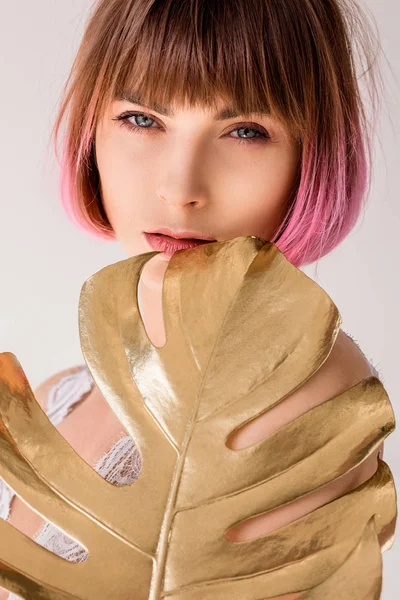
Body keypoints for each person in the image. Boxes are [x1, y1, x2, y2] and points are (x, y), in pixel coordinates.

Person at [0, 0, 393, 598]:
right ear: (91, 129)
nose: (181, 188)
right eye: (142, 119)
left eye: (245, 131)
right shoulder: (62, 394)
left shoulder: (302, 402)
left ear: (310, 157)